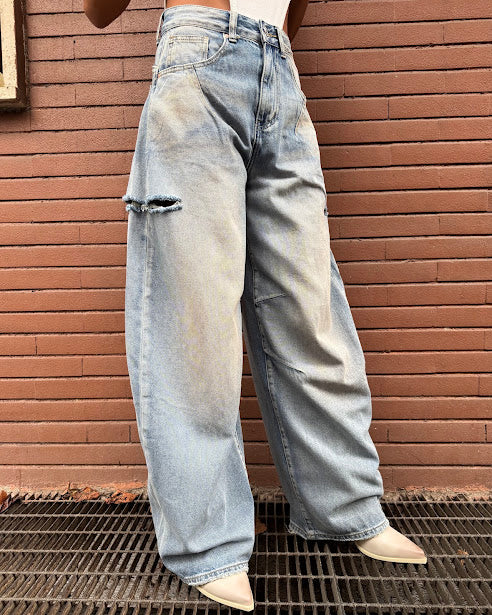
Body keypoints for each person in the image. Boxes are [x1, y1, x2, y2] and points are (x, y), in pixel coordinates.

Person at [84, 0, 428, 610]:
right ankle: (207, 542)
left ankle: (344, 508)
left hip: (281, 75)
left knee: (309, 312)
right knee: (193, 326)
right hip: (196, 61)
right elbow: (97, 11)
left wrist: (269, 42)